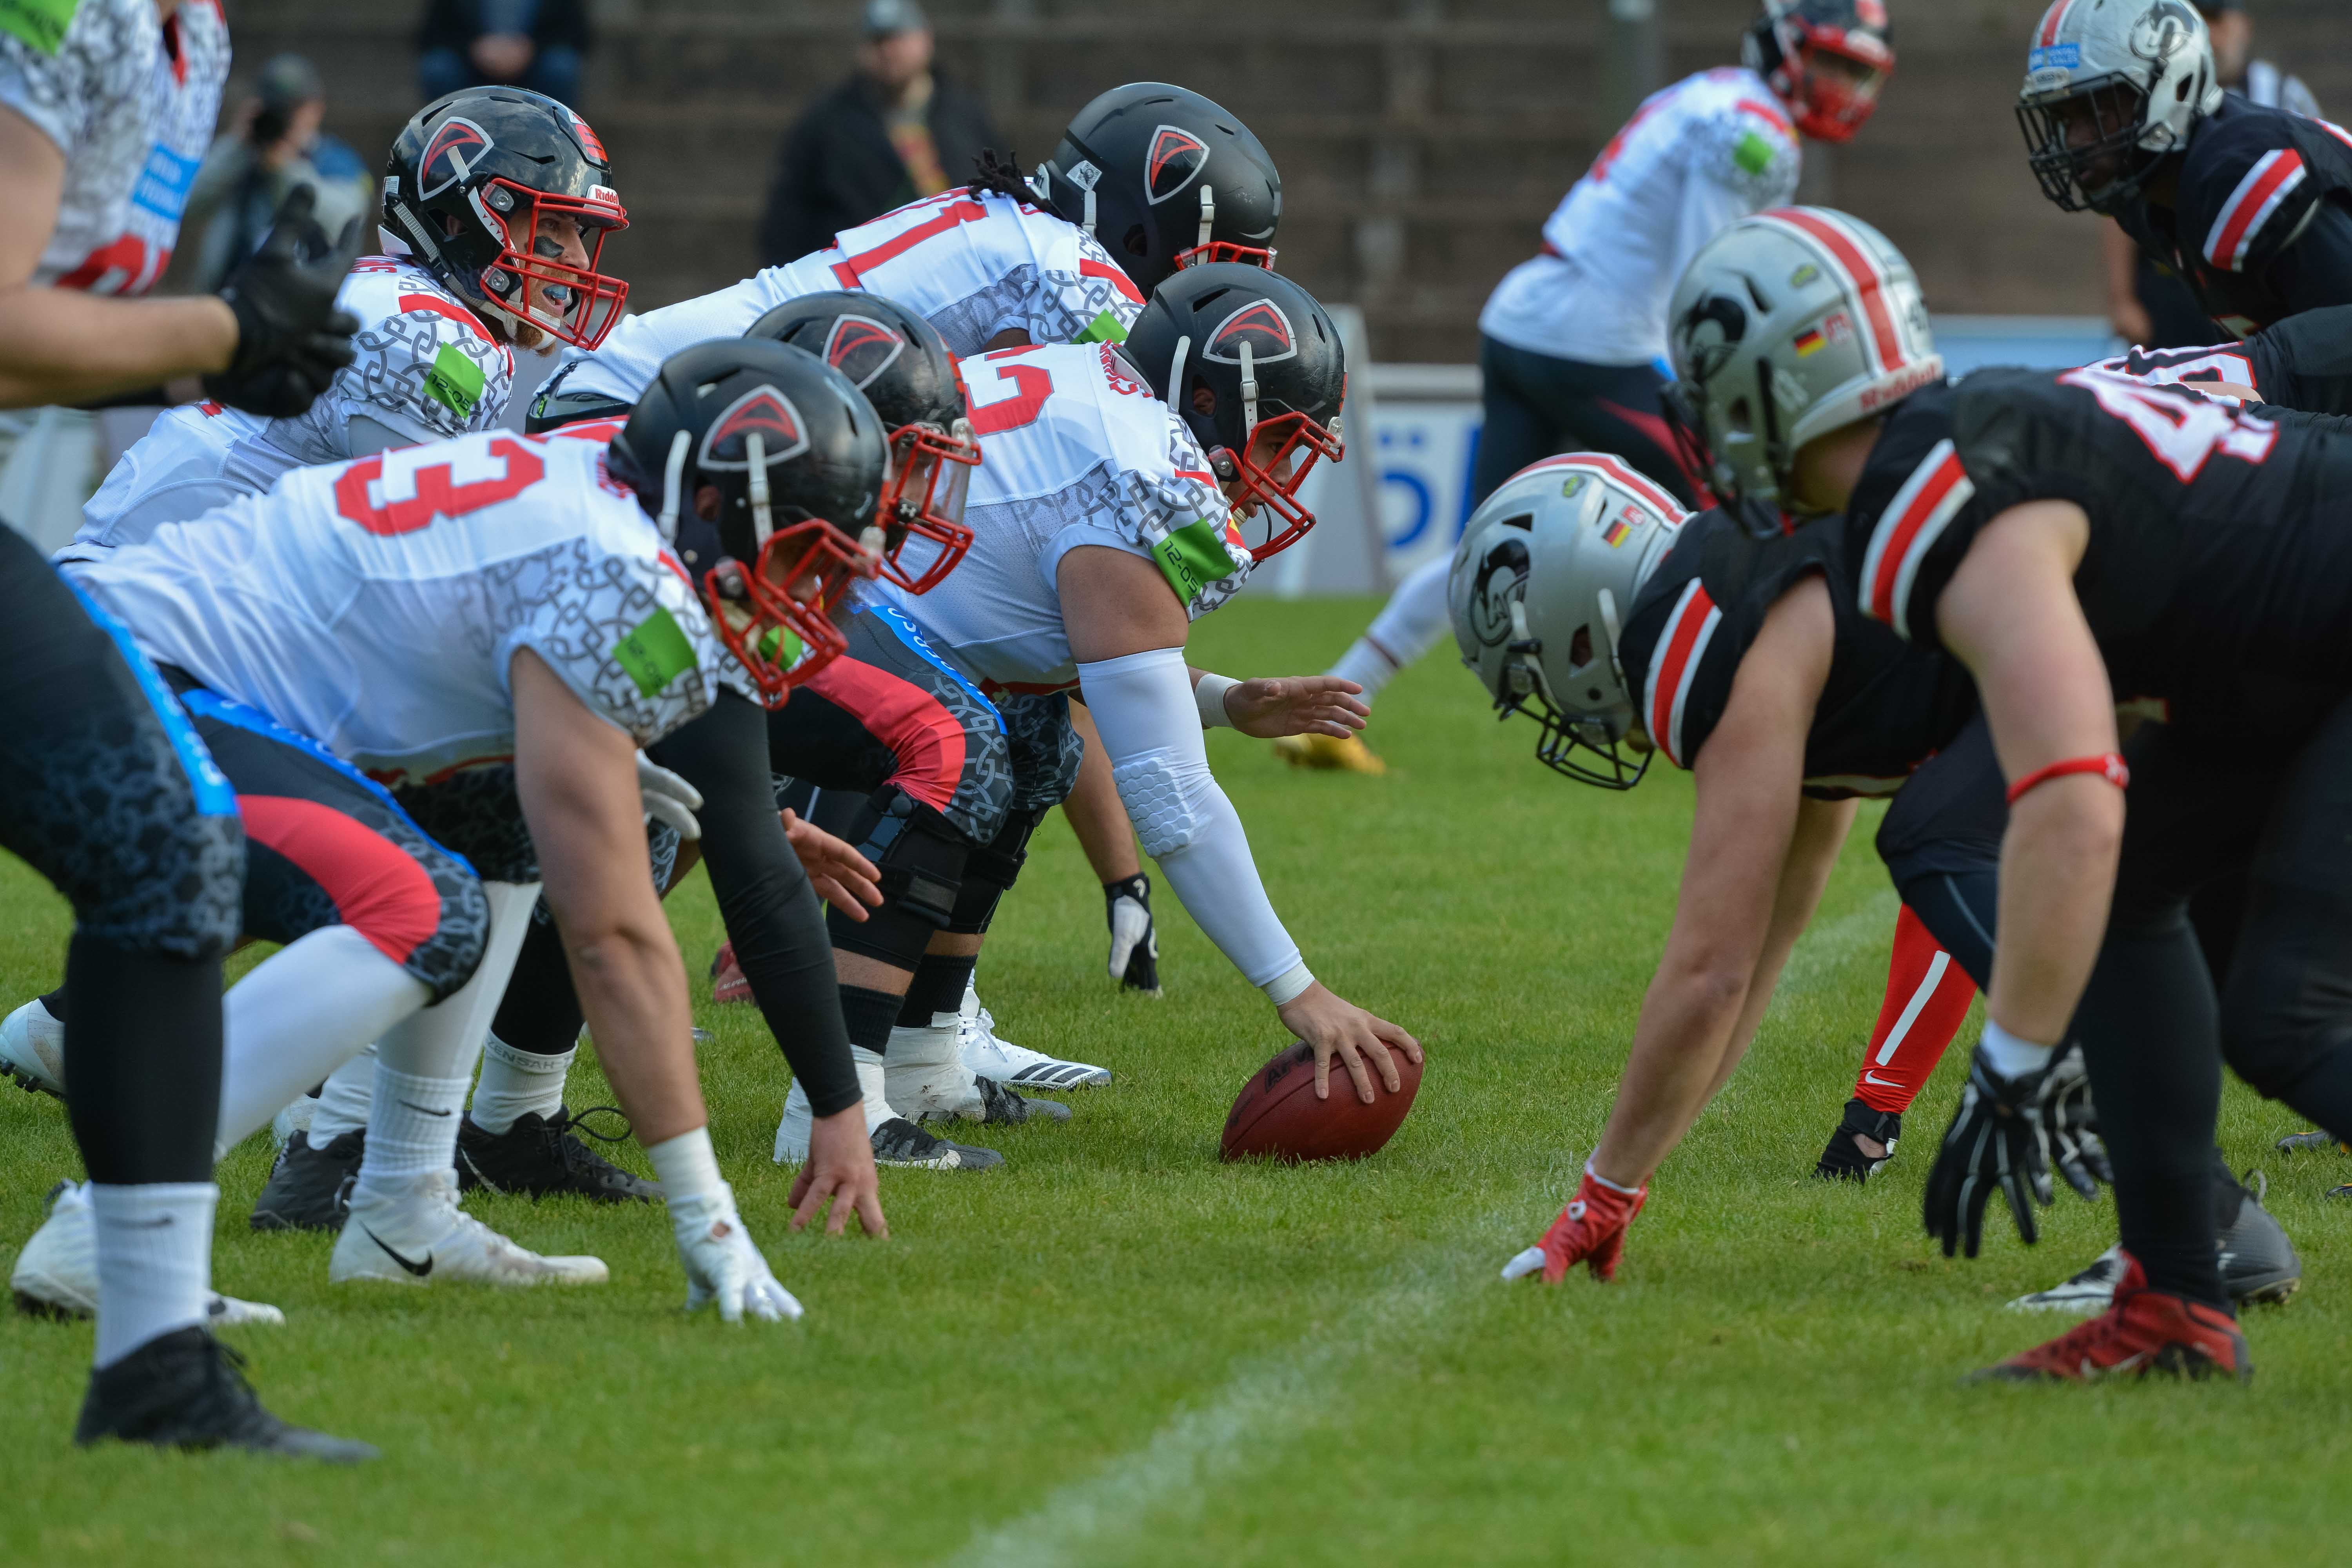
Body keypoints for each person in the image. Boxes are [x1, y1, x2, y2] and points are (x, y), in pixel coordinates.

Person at [1499, 205, 2352, 1384]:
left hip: (2308, 631)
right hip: (2266, 653)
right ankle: (2175, 1302)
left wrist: (2009, 1060)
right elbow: (1755, 942)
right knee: (2133, 906)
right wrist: (1619, 1182)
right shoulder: (1913, 476)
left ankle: (2184, 1263)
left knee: (2281, 1009)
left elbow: (2067, 786)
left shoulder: (1927, 494)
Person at [23, 342, 892, 1347]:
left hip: (150, 664)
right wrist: (707, 1215)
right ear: (714, 506)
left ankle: (402, 1206)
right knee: (420, 913)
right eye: (802, 554)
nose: (815, 596)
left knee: (496, 826)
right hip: (131, 678)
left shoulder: (605, 496)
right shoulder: (620, 576)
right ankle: (109, 1230)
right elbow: (610, 934)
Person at [762, 264, 1418, 1165]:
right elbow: (1171, 794)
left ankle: (922, 1061)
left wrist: (1228, 700)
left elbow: (1058, 647)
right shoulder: (1144, 472)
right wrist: (1297, 988)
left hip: (834, 598)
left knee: (1032, 737)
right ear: (1209, 401)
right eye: (1278, 440)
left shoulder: (1103, 402)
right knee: (957, 746)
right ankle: (832, 1102)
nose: (1280, 475)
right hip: (783, 605)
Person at [0, 0, 369, 1457]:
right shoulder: (67, 14)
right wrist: (220, 329)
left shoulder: (186, 38)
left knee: (169, 849)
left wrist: (207, 355)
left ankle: (151, 1361)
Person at [1276, 0, 1895, 775]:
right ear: (1786, 45)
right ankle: (1737, 709)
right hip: (1594, 338)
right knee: (1737, 513)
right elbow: (1705, 280)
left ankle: (1330, 710)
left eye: (1858, 71)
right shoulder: (1753, 132)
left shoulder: (1715, 93)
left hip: (1528, 316)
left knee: (1482, 541)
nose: (1845, 85)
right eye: (1835, 62)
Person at [0, 0, 231, 554]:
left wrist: (196, 375)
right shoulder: (67, 10)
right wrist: (222, 332)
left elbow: (56, 323)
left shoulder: (201, 34)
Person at [2021, 0, 2352, 342]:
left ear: (2176, 87)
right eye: (2063, 118)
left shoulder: (2242, 175)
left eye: (2097, 112)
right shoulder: (2150, 194)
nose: (2075, 141)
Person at [2099, 0, 2321, 351]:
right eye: (2197, 19)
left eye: (2216, 19)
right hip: (2171, 287)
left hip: (2261, 285)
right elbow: (2121, 201)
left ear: (2243, 25)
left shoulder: (2282, 96)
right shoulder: (2151, 94)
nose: (2207, 32)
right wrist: (2122, 298)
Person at [756, 0, 1000, 270]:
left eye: (898, 38)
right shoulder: (828, 121)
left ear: (925, 38)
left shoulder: (964, 112)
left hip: (959, 269)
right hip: (864, 281)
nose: (888, 51)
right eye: (877, 41)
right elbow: (787, 219)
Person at [169, 53, 374, 296]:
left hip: (299, 302)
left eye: (292, 108)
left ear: (316, 109)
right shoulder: (241, 156)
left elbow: (347, 221)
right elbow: (184, 201)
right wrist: (237, 145)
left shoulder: (336, 160)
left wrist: (286, 168)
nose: (283, 119)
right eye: (275, 108)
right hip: (227, 297)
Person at [416, 0, 588, 109]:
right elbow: (433, 33)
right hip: (470, 64)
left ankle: (557, 138)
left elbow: (577, 33)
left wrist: (531, 48)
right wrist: (474, 48)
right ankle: (447, 136)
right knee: (438, 67)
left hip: (536, 64)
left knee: (561, 67)